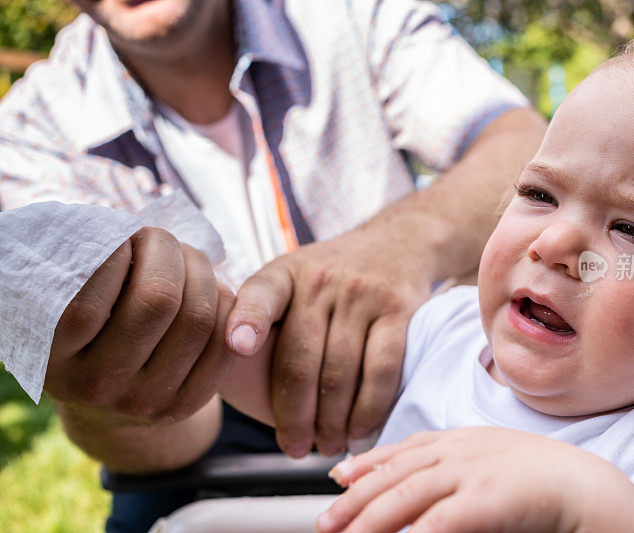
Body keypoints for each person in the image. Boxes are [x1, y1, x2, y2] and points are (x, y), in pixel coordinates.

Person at [222, 29, 634, 532]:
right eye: (539, 194)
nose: (553, 244)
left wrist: (586, 509)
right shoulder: (442, 337)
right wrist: (192, 313)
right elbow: (283, 368)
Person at [0, 0, 546, 530]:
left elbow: (522, 142)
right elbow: (168, 443)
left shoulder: (352, 14)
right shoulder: (32, 132)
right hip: (200, 459)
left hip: (421, 397)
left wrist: (397, 246)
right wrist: (111, 380)